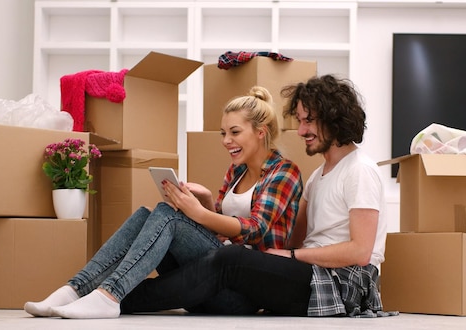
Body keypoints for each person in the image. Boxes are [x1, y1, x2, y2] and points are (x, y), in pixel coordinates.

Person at [118, 75, 397, 318]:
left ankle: (121, 298)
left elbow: (360, 253)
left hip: (343, 284)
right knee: (198, 250)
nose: (301, 131)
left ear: (335, 118)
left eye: (309, 121)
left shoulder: (360, 170)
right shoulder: (319, 176)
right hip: (310, 273)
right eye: (300, 121)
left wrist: (290, 255)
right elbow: (293, 239)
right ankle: (110, 292)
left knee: (230, 259)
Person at [24, 86, 303, 319]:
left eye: (234, 132)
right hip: (213, 272)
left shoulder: (284, 172)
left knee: (168, 215)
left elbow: (254, 229)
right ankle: (77, 288)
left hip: (243, 291)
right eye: (223, 133)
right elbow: (222, 230)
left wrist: (196, 213)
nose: (226, 141)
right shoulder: (237, 171)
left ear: (261, 132)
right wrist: (205, 203)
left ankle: (108, 295)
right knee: (149, 213)